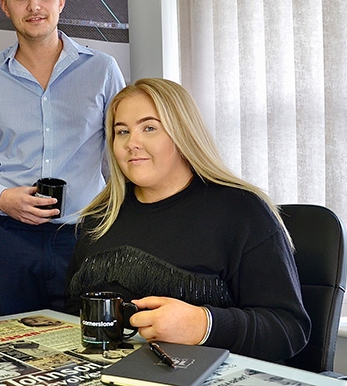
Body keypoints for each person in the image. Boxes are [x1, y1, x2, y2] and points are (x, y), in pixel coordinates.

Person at [65, 78, 311, 362]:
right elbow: (71, 311)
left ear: (183, 134)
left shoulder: (242, 211)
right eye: (122, 132)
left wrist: (203, 325)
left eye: (149, 128)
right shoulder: (99, 216)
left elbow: (288, 329)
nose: (132, 143)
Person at [0, 0, 126, 315]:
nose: (34, 6)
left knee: (91, 344)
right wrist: (1, 197)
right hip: (9, 237)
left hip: (86, 235)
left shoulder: (102, 69)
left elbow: (120, 156)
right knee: (14, 344)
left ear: (61, 0)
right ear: (5, 7)